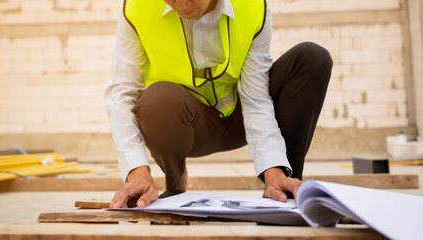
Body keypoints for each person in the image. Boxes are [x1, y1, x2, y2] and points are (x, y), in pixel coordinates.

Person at [104, 0, 333, 209]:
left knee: (312, 58)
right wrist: (138, 174)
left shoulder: (252, 7)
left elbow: (256, 97)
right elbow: (122, 92)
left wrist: (274, 172)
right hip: (188, 125)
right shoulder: (138, 8)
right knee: (156, 101)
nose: (182, 4)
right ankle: (176, 176)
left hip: (238, 118)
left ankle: (283, 189)